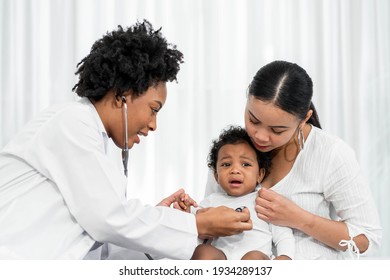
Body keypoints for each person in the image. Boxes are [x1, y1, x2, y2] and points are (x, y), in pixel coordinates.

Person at [0, 20, 253, 260]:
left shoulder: (93, 140)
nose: (153, 125)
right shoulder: (71, 122)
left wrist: (162, 222)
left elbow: (97, 246)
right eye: (153, 109)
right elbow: (107, 219)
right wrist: (196, 224)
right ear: (122, 96)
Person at [206, 60, 382, 259]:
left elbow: (368, 239)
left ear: (305, 118)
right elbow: (211, 217)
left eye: (277, 130)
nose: (260, 136)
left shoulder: (330, 154)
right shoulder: (230, 151)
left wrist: (299, 219)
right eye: (253, 120)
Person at [188, 125, 294, 260]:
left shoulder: (264, 201)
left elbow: (283, 234)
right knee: (203, 251)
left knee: (254, 258)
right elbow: (194, 228)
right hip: (221, 259)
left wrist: (285, 257)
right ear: (216, 176)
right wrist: (187, 212)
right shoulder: (211, 201)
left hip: (254, 259)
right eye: (226, 164)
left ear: (260, 175)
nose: (235, 170)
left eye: (245, 164)